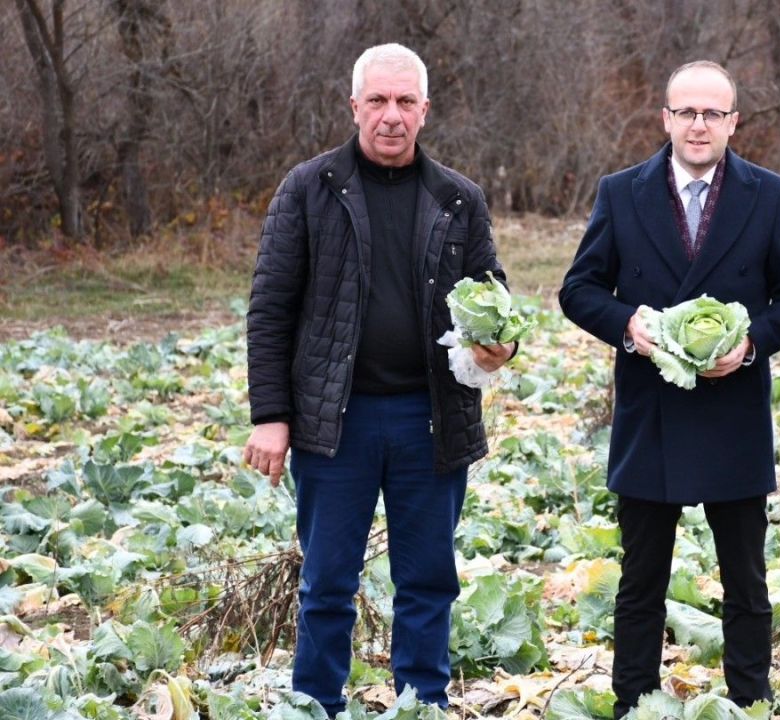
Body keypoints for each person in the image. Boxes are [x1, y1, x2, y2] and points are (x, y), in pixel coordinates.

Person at [243, 43, 515, 716]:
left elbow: (493, 294)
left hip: (431, 420)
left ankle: (422, 700)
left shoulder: (459, 198)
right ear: (353, 106)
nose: (390, 116)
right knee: (328, 580)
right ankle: (317, 702)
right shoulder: (309, 188)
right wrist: (270, 415)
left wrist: (499, 346)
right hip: (335, 422)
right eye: (377, 101)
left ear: (425, 110)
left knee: (428, 579)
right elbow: (270, 307)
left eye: (404, 102)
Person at [559, 60, 780, 717]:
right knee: (641, 578)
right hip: (651, 411)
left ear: (733, 122)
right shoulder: (621, 192)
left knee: (746, 581)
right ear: (665, 119)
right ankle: (632, 703)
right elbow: (579, 289)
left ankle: (750, 699)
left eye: (713, 113)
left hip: (733, 410)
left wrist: (751, 342)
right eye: (686, 112)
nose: (699, 125)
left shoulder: (770, 195)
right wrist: (629, 327)